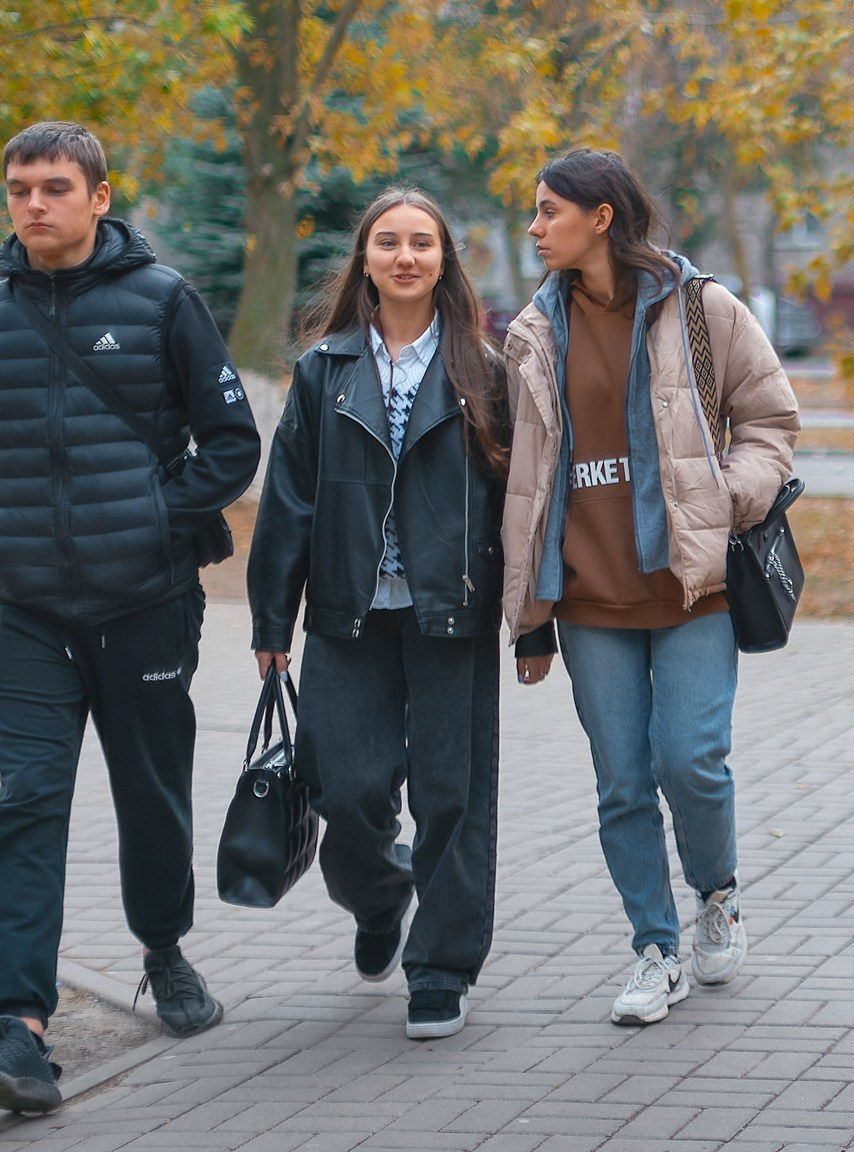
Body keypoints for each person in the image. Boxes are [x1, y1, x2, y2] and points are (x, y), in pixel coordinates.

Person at [501, 148, 798, 1027]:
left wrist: (724, 498)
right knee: (622, 781)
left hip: (690, 584)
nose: (533, 226)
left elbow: (771, 418)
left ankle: (717, 894)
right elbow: (522, 475)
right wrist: (528, 619)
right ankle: (653, 947)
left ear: (600, 217)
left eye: (548, 209)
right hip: (591, 595)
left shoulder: (701, 306)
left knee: (690, 761)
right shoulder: (533, 331)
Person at [0, 122, 259, 1114]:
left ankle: (164, 950)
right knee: (21, 804)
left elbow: (232, 442)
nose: (33, 205)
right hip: (21, 608)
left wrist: (156, 517)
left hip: (144, 600)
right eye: (19, 188)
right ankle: (21, 1024)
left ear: (99, 197)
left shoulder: (162, 301)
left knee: (150, 792)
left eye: (55, 187)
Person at [247, 188, 512, 1040]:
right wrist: (268, 624)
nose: (406, 257)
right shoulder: (325, 370)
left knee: (452, 799)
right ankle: (378, 892)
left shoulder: (484, 369)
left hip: (450, 615)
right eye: (388, 243)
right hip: (347, 617)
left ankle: (440, 968)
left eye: (422, 243)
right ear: (364, 259)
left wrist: (533, 617)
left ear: (444, 260)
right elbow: (288, 502)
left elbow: (517, 501)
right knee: (348, 791)